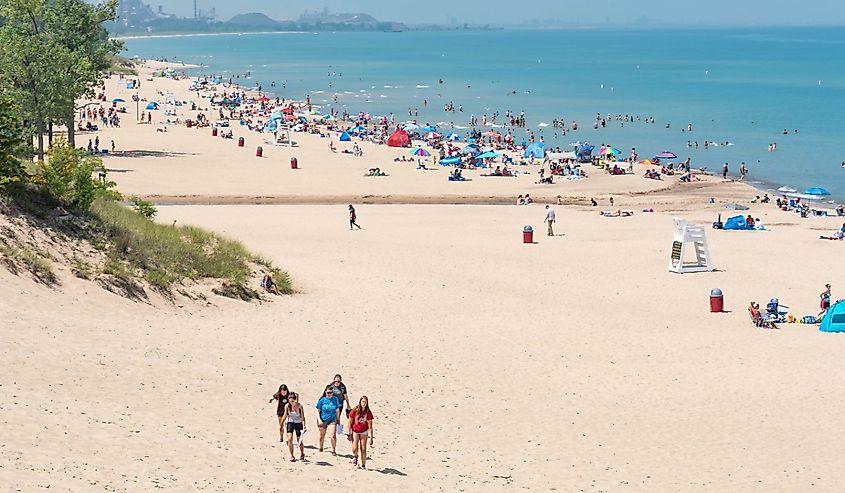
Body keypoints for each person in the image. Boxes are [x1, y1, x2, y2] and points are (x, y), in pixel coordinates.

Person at [347, 396, 374, 469]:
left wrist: (371, 437)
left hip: (364, 431)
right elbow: (350, 421)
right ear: (360, 402)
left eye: (365, 402)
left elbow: (370, 425)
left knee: (363, 449)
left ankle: (363, 465)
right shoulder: (355, 410)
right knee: (355, 448)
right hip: (355, 431)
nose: (364, 403)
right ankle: (355, 456)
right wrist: (349, 432)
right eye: (363, 402)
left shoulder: (368, 411)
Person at [280, 392, 307, 462]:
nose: (291, 402)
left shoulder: (300, 406)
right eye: (290, 401)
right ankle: (292, 455)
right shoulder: (287, 406)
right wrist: (281, 424)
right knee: (289, 439)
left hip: (298, 423)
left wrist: (304, 426)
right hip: (290, 423)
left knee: (299, 441)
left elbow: (302, 417)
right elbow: (285, 415)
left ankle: (302, 453)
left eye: (293, 401)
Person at [316, 386, 341, 455]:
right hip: (323, 420)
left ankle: (333, 450)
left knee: (333, 435)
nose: (329, 394)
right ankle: (321, 447)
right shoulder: (322, 400)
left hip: (332, 420)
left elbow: (337, 410)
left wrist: (338, 419)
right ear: (325, 392)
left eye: (331, 392)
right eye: (328, 392)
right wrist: (319, 420)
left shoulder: (335, 399)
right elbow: (318, 411)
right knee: (322, 435)